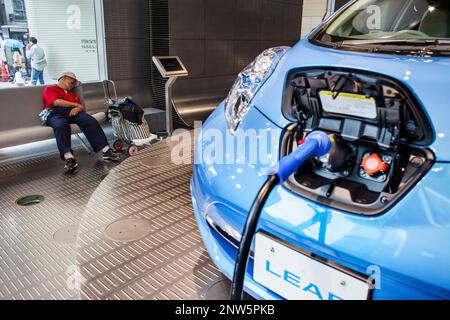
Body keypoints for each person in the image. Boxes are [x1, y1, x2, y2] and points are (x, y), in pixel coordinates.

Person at [41, 72, 120, 174]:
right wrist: (75, 105)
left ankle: (106, 150)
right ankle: (69, 158)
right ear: (64, 78)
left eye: (74, 83)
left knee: (89, 120)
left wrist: (78, 109)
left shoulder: (72, 94)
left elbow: (81, 107)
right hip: (54, 113)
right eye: (72, 82)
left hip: (73, 112)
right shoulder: (50, 89)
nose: (73, 85)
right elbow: (56, 102)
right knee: (61, 125)